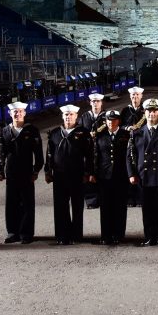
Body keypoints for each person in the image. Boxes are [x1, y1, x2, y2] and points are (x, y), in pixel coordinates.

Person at [126, 98, 158, 246]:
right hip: (143, 176)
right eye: (148, 111)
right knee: (147, 209)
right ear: (145, 112)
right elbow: (130, 156)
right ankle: (149, 236)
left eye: (154, 111)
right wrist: (131, 174)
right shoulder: (136, 133)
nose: (151, 114)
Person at [44, 104, 93, 245]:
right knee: (60, 207)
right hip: (59, 176)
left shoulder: (83, 133)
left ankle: (76, 236)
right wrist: (48, 171)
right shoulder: (54, 133)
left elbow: (89, 155)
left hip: (77, 176)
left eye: (71, 114)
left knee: (77, 207)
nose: (68, 117)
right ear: (62, 116)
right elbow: (49, 154)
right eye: (66, 115)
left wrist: (88, 172)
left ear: (76, 116)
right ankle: (62, 235)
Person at [0, 101, 43, 245]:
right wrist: (0, 170)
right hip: (11, 172)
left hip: (27, 172)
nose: (17, 114)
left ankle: (26, 233)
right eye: (14, 112)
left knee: (27, 203)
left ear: (25, 113)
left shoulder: (32, 130)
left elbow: (39, 154)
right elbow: (2, 153)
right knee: (11, 203)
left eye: (20, 111)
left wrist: (36, 170)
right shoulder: (5, 131)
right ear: (10, 114)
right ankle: (12, 232)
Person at [89, 110, 130, 245]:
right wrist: (93, 173)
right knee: (105, 207)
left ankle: (119, 235)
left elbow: (130, 156)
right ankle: (105, 235)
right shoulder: (100, 136)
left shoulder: (126, 135)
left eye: (113, 120)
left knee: (120, 207)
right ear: (105, 121)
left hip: (121, 176)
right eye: (108, 120)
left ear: (118, 121)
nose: (111, 123)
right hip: (104, 177)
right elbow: (95, 156)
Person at [79, 92, 107, 209]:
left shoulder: (106, 116)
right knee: (89, 172)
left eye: (98, 101)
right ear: (90, 103)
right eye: (93, 101)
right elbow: (79, 131)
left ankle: (103, 198)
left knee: (101, 173)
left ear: (101, 103)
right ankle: (91, 200)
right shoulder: (84, 117)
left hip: (102, 148)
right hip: (88, 148)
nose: (95, 103)